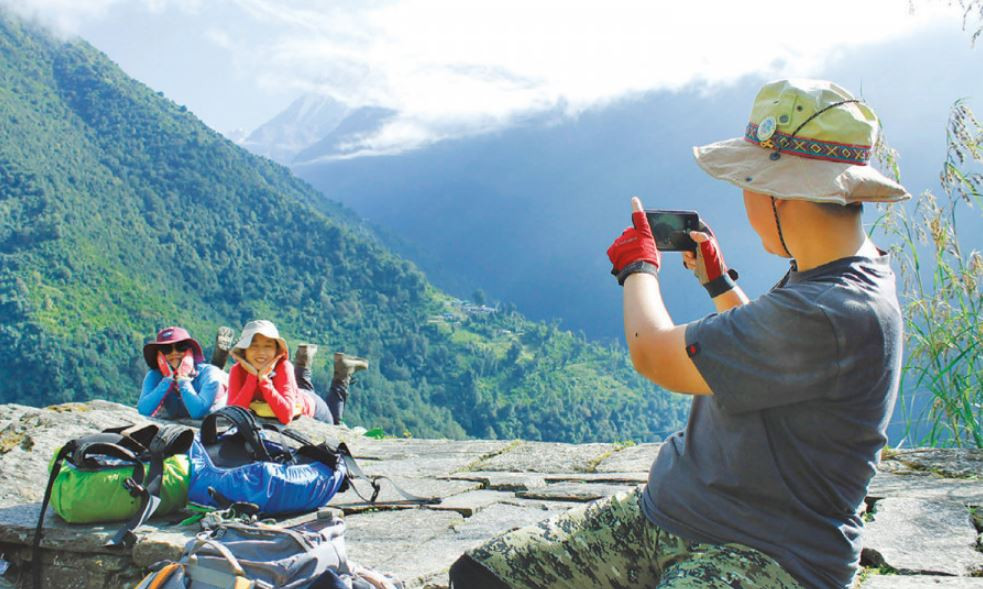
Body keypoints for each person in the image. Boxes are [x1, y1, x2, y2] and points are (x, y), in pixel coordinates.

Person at [450, 79, 910, 589]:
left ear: (782, 193)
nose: (743, 196)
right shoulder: (835, 276)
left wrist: (638, 269)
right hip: (668, 516)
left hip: (769, 555)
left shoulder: (834, 307)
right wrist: (718, 283)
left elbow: (653, 354)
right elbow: (777, 356)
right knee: (481, 577)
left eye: (747, 181)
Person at [227, 319, 368, 425]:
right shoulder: (237, 371)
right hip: (297, 393)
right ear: (244, 350)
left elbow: (286, 415)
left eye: (268, 346)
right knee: (300, 387)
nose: (261, 352)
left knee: (336, 423)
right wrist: (252, 376)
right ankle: (304, 360)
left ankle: (342, 377)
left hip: (314, 410)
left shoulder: (283, 367)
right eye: (254, 346)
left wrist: (264, 380)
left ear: (277, 351)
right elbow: (231, 415)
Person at [138, 326, 229, 419]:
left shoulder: (209, 373)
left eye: (181, 347)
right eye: (166, 349)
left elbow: (198, 412)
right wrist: (168, 380)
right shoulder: (155, 375)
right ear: (160, 354)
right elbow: (143, 410)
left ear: (191, 351)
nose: (174, 353)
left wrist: (183, 380)